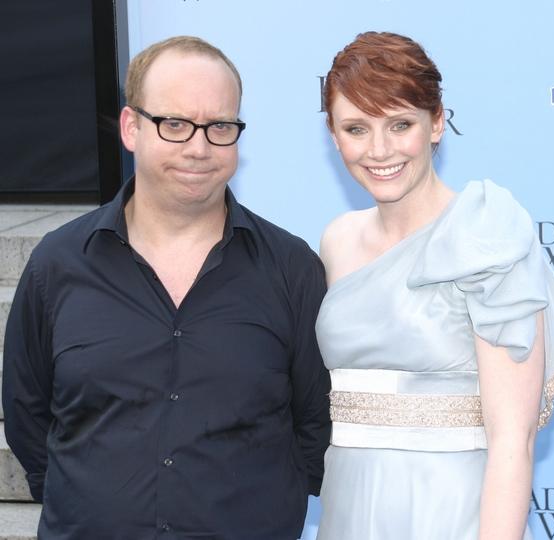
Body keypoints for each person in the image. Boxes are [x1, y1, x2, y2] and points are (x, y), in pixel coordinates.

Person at [3, 35, 330, 540]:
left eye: (219, 126)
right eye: (174, 124)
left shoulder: (291, 268)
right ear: (132, 127)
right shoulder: (58, 263)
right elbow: (27, 415)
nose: (199, 148)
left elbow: (316, 422)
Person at [314, 31, 554, 540]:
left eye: (400, 124)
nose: (379, 150)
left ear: (437, 123)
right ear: (334, 136)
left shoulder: (485, 233)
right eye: (356, 128)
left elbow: (514, 440)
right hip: (349, 510)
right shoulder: (336, 240)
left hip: (452, 514)